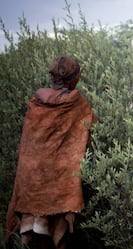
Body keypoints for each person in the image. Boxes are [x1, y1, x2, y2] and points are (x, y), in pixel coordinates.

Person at [5, 56, 96, 249]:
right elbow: (92, 130)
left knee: (34, 241)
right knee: (58, 239)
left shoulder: (36, 103)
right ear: (73, 78)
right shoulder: (77, 103)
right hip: (61, 184)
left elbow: (29, 145)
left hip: (32, 181)